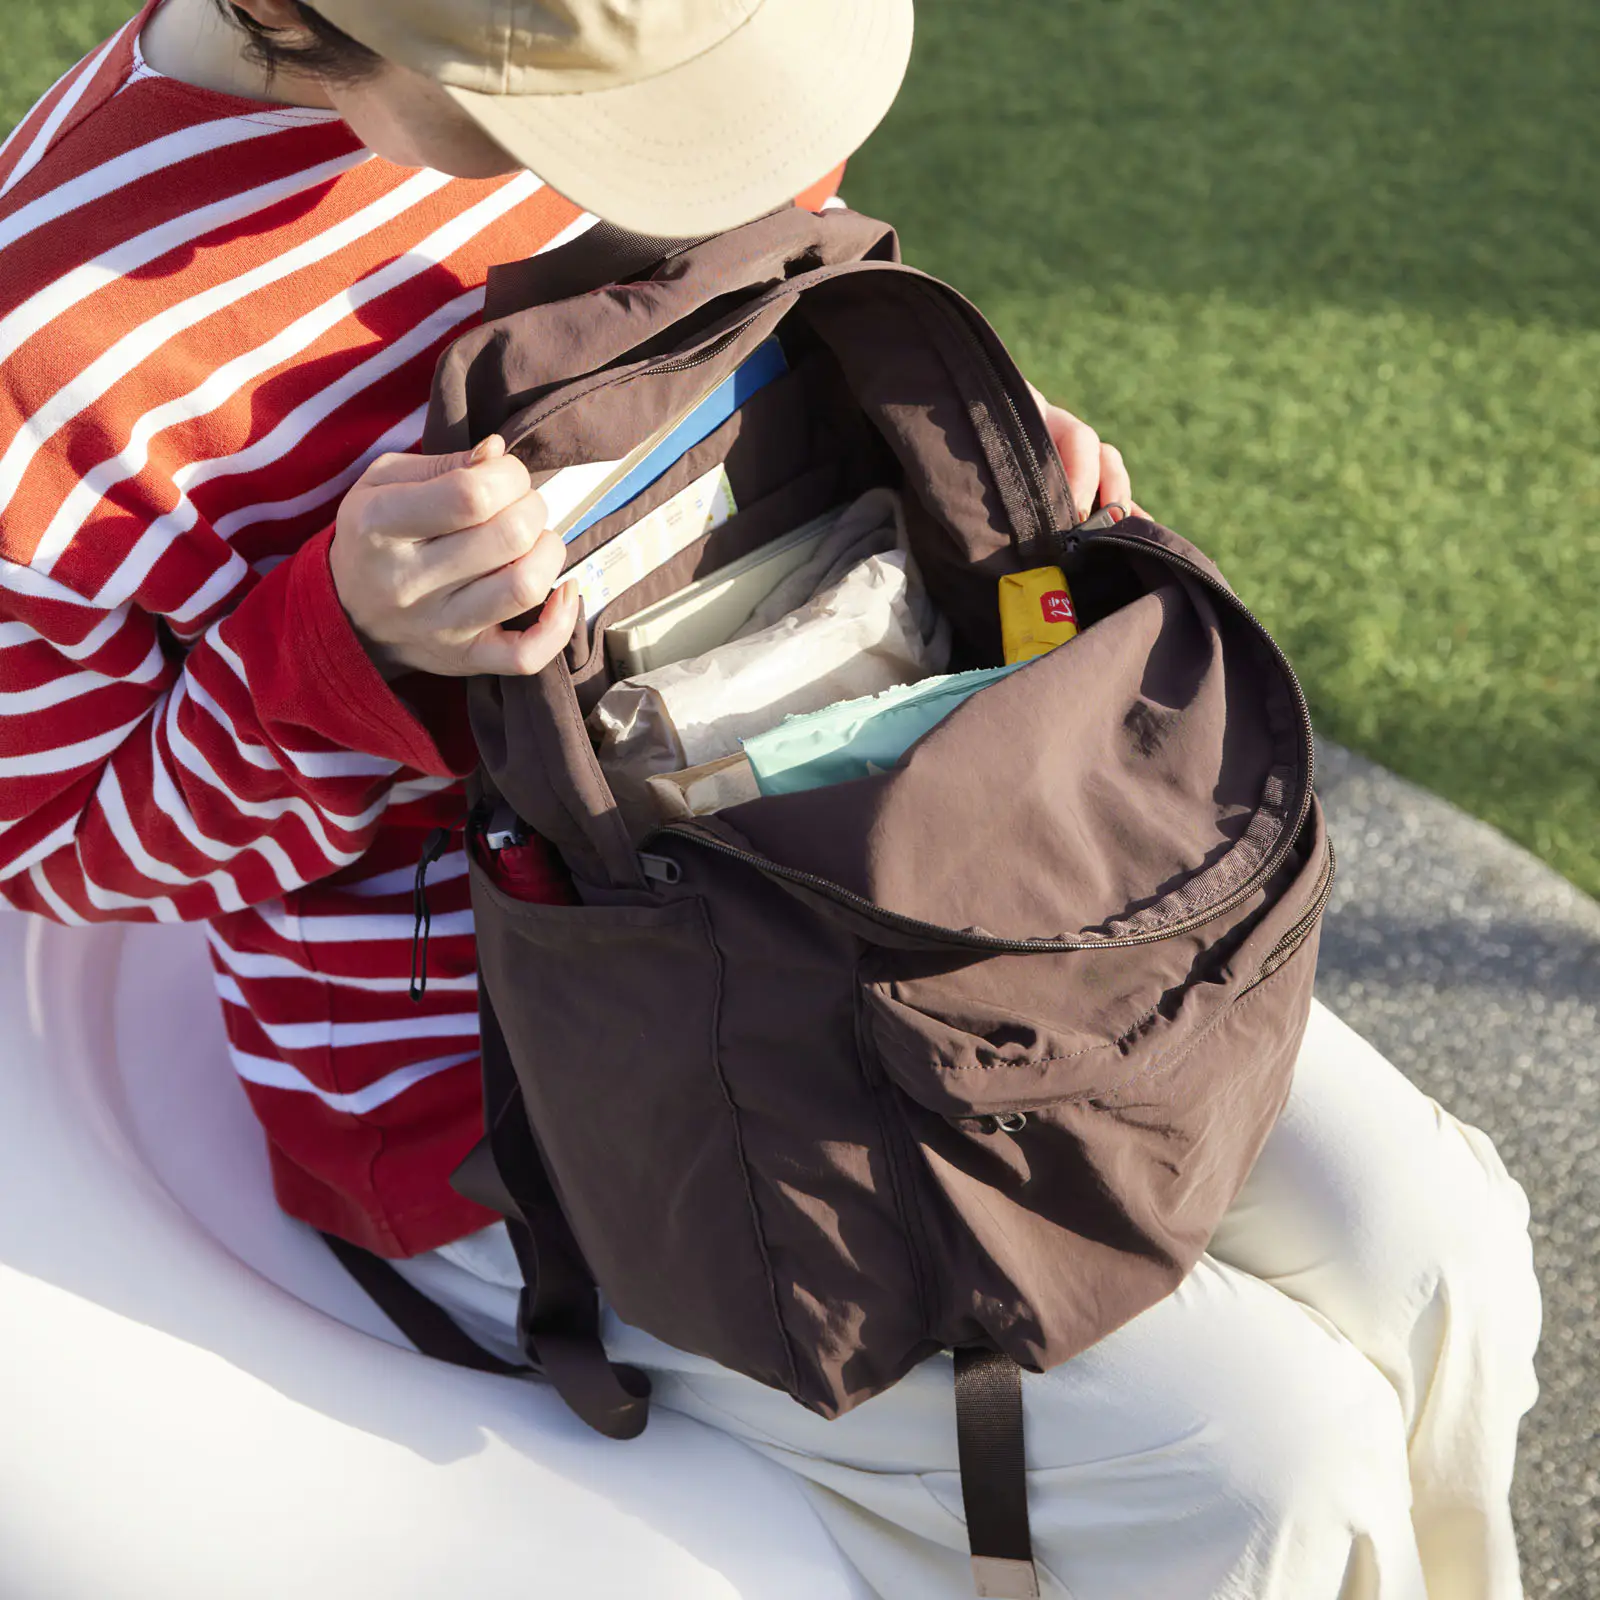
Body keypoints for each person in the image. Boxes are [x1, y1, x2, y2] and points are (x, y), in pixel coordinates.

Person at [0, 2, 1540, 1596]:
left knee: (1439, 1247)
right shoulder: (49, 341)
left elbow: (783, 337)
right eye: (606, 112)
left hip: (909, 847)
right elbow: (61, 843)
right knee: (1263, 1466)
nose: (674, 146)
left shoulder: (684, 61)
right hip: (526, 1078)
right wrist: (344, 641)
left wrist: (968, 457)